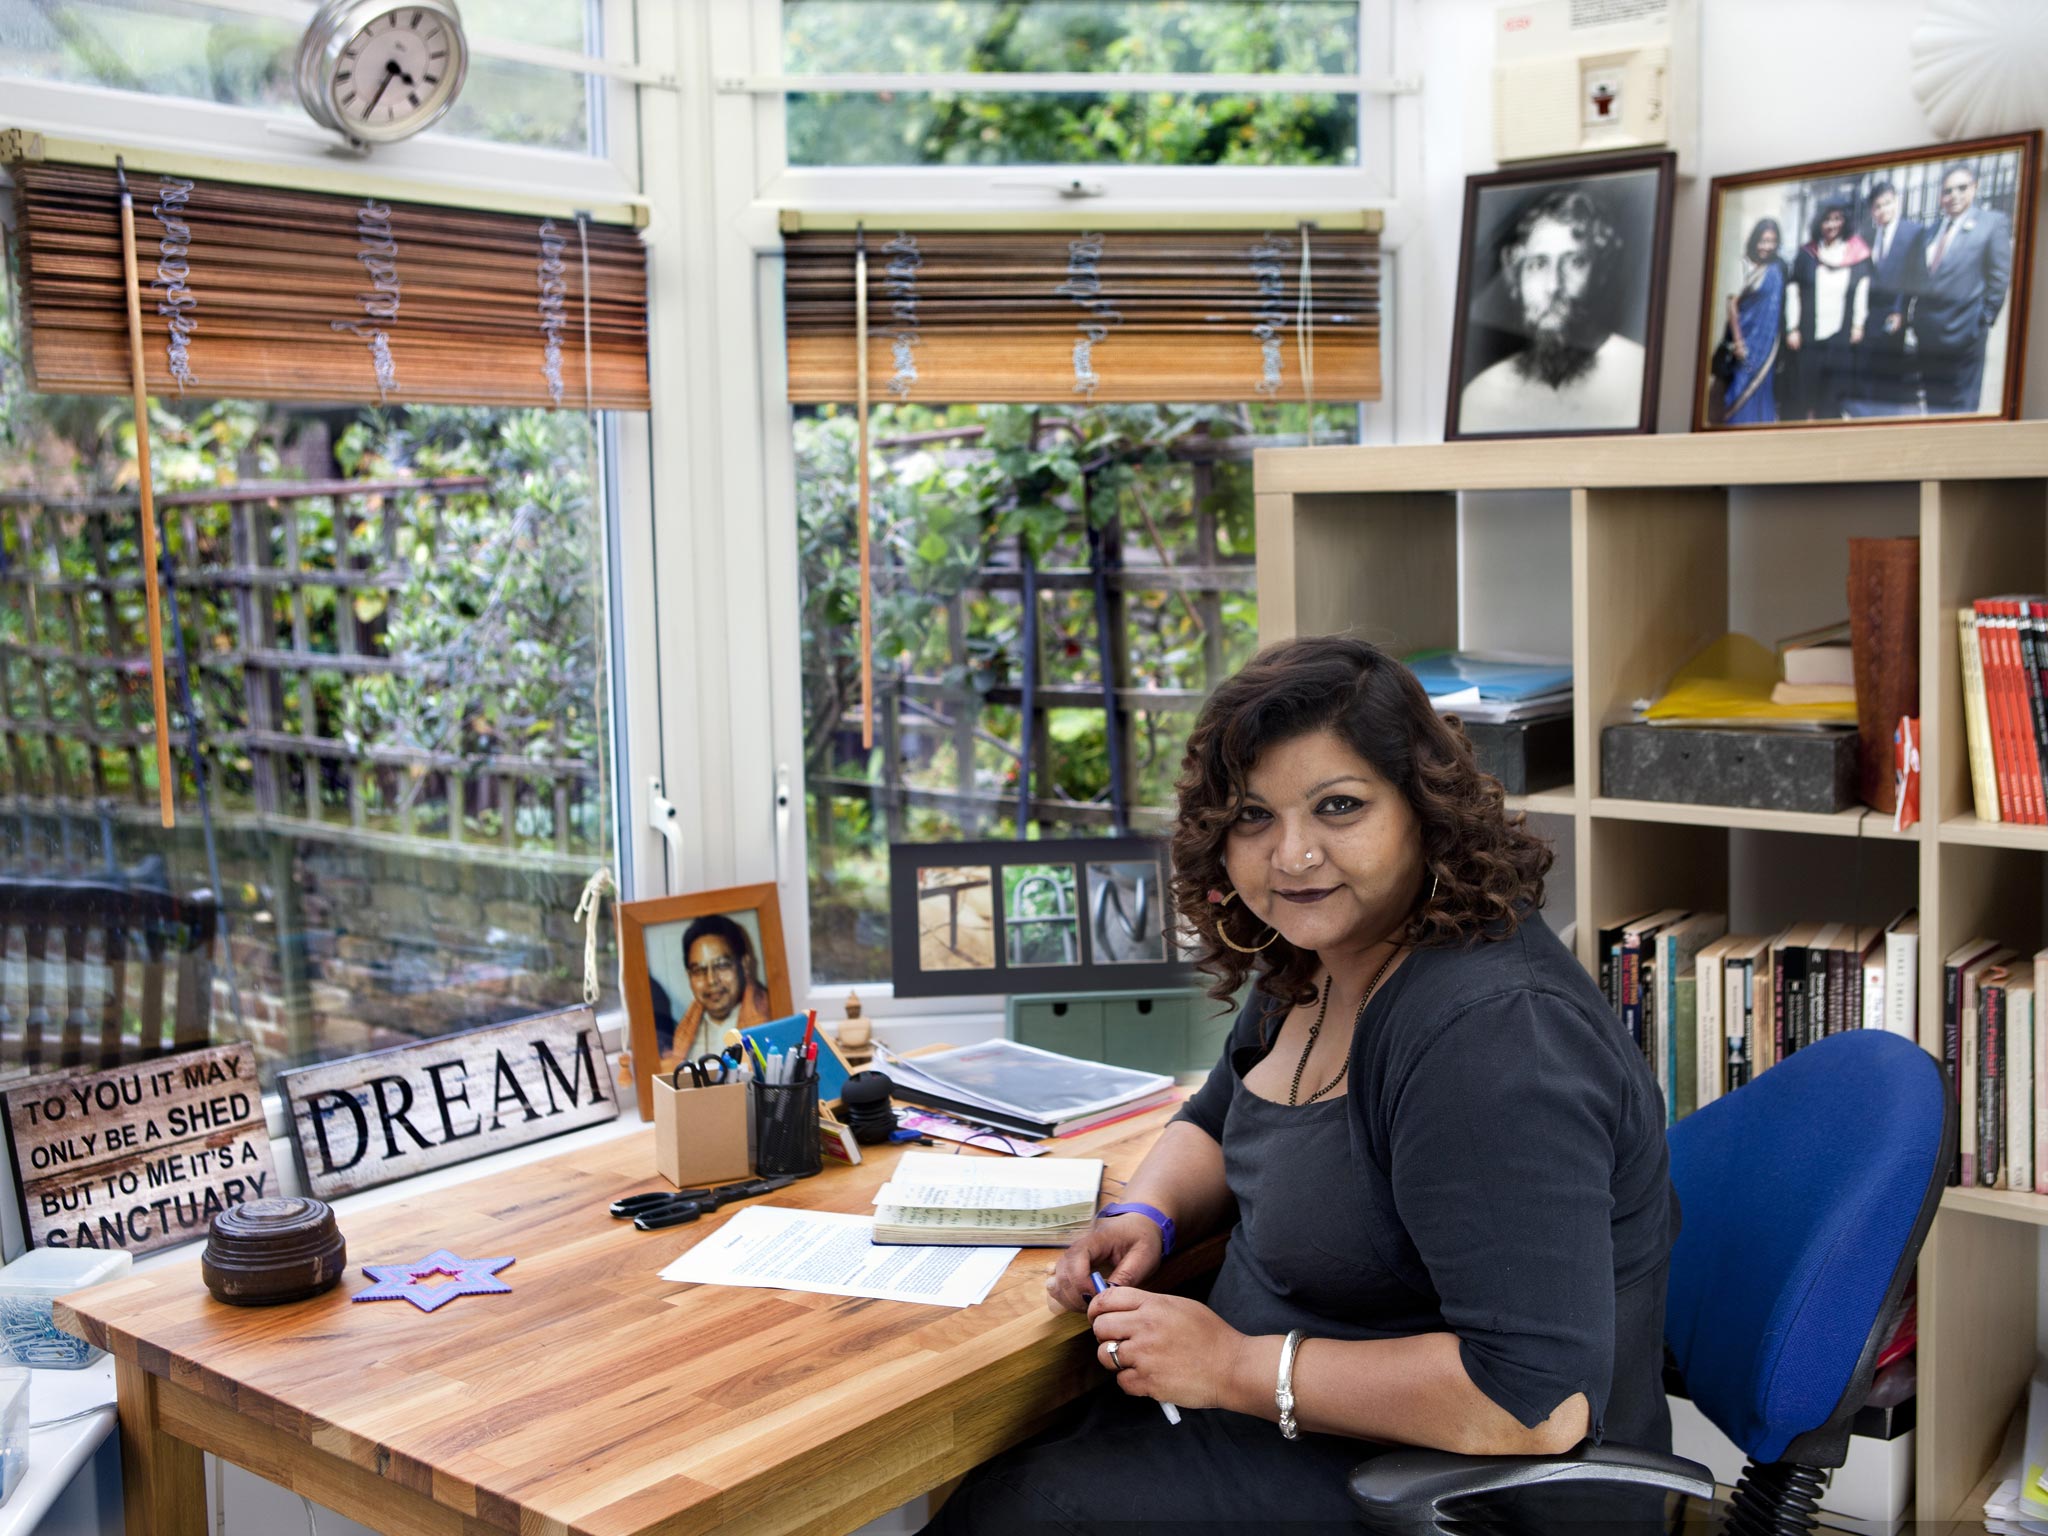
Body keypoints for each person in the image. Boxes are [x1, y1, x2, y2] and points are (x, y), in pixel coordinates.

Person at [922, 636, 1680, 1534]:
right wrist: (1149, 1215)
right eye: (1253, 816)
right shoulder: (1321, 956)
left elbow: (1534, 1405)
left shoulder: (1492, 1039)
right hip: (1280, 1425)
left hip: (1447, 1493)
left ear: (1423, 811)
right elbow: (1216, 1116)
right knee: (1004, 1481)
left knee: (1015, 1515)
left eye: (1339, 807)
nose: (1292, 855)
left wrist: (1237, 1366)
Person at [1457, 187, 1645, 434]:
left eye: (1575, 263)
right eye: (1538, 265)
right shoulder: (1482, 395)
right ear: (1517, 280)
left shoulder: (1638, 374)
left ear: (1600, 273)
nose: (1554, 286)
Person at [1912, 161, 2013, 415]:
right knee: (1934, 404)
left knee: (1961, 408)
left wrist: (1984, 319)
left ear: (1975, 188)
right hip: (1930, 337)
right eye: (1947, 191)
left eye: (1961, 188)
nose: (1954, 196)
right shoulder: (1932, 230)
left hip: (1965, 332)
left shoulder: (1992, 224)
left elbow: (1999, 277)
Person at [1785, 203, 1870, 420]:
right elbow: (1793, 290)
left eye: (1837, 218)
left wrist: (1858, 324)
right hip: (1809, 333)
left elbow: (1862, 288)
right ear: (1819, 223)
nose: (1832, 224)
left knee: (1832, 395)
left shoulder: (1856, 253)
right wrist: (1792, 327)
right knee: (1805, 390)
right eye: (1827, 219)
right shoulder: (1807, 255)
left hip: (1839, 335)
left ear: (1844, 222)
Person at [663, 915, 772, 1073]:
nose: (711, 980)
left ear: (745, 964)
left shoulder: (771, 1019)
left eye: (721, 965)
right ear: (689, 977)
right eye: (699, 970)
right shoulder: (683, 1034)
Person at [1860, 181, 1927, 411]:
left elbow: (1915, 277)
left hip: (1894, 312)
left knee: (1889, 371)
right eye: (1877, 207)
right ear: (1872, 211)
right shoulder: (1867, 234)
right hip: (1870, 313)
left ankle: (1887, 416)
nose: (1883, 210)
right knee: (1868, 369)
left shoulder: (1913, 232)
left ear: (1896, 202)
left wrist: (1900, 311)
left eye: (1887, 204)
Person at [1721, 217, 1788, 424]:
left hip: (1767, 346)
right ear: (1754, 240)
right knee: (1739, 385)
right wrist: (1739, 342)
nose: (1766, 247)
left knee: (1763, 388)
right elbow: (1732, 304)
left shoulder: (1778, 268)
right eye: (1763, 240)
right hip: (1746, 341)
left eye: (1771, 241)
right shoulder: (1743, 265)